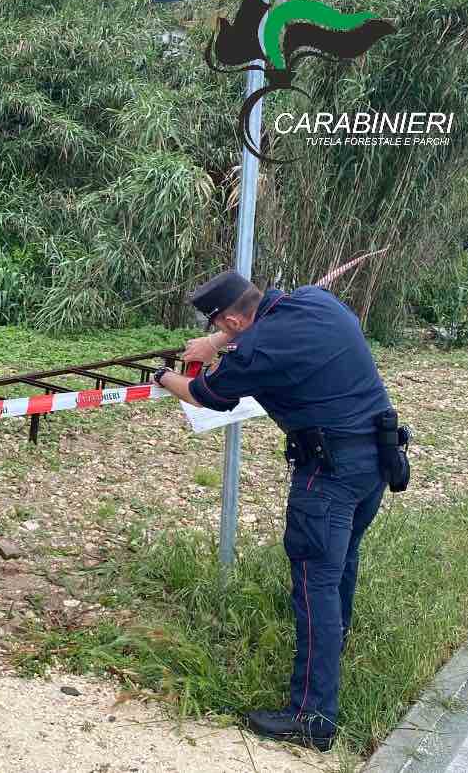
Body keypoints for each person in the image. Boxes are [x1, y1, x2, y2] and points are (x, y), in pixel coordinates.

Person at [151, 270, 404, 751]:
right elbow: (253, 328)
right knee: (340, 570)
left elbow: (206, 395)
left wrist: (168, 378)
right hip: (375, 460)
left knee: (315, 585)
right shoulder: (315, 301)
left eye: (222, 327)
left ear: (229, 318)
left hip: (327, 473)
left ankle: (312, 716)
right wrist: (215, 341)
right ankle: (328, 664)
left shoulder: (256, 351)